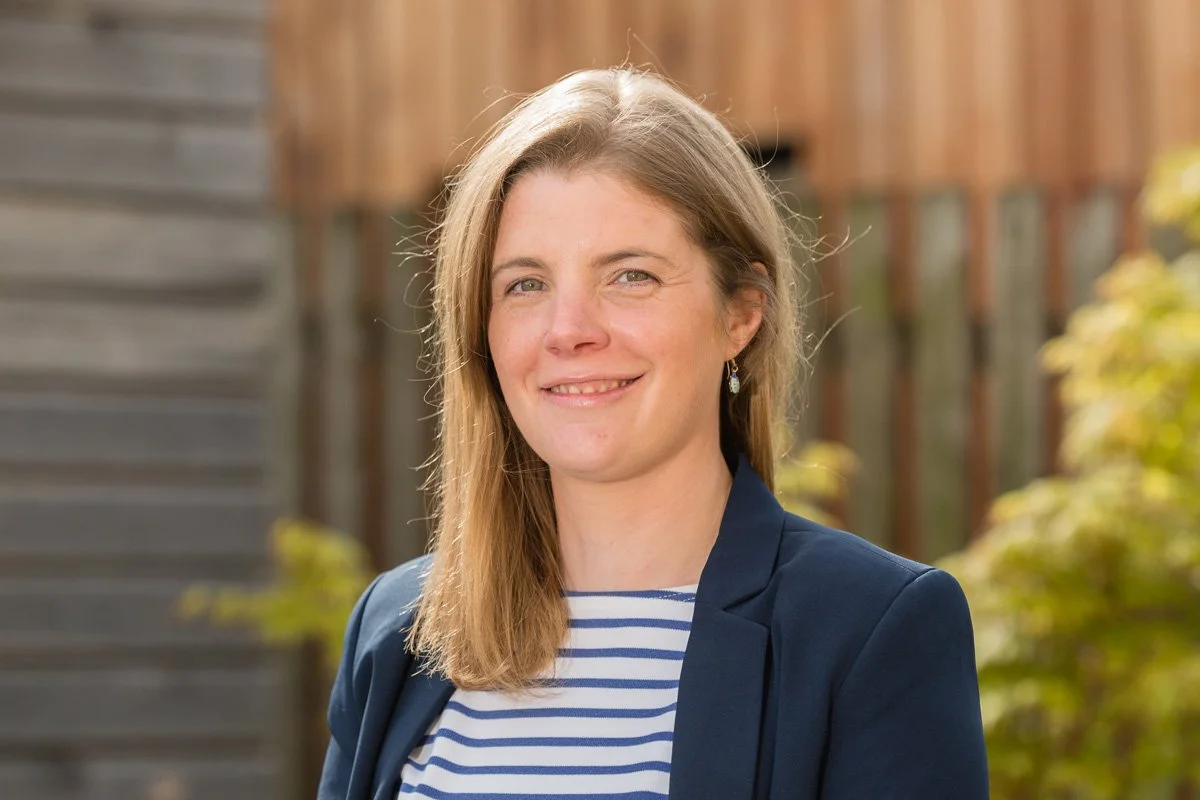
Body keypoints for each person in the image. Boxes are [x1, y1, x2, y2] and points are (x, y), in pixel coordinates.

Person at [318, 68, 989, 800]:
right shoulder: (400, 631)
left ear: (740, 315)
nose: (568, 331)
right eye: (525, 284)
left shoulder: (870, 631)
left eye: (630, 276)